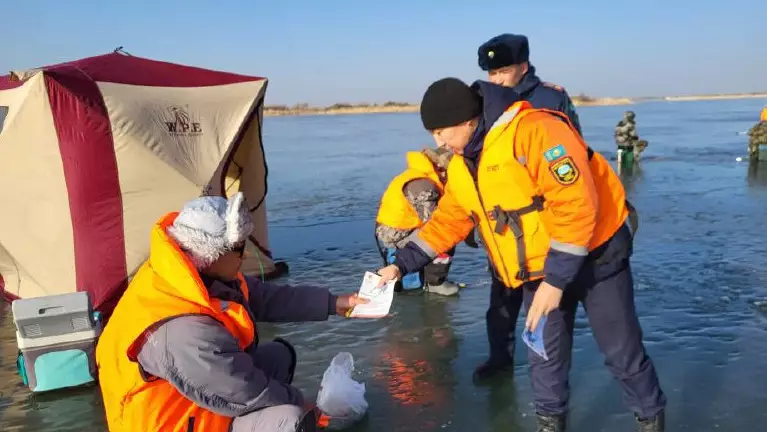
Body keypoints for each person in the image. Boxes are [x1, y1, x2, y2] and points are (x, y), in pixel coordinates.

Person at [376, 77, 666, 431]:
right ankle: (550, 424)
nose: (437, 141)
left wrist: (557, 281)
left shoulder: (537, 131)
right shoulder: (461, 165)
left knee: (622, 353)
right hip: (538, 268)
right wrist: (400, 265)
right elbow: (447, 222)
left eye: (442, 131)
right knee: (544, 356)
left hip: (596, 257)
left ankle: (650, 418)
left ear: (468, 120)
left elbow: (576, 204)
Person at [96, 192, 367, 432]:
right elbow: (244, 389)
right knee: (293, 420)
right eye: (239, 249)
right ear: (210, 254)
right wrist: (310, 408)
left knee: (279, 357)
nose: (246, 255)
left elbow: (264, 297)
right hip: (170, 422)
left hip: (192, 396)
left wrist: (335, 303)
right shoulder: (182, 331)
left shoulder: (191, 276)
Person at [472, 32, 584, 381]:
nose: (496, 79)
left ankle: (550, 378)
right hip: (502, 224)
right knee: (501, 302)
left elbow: (572, 156)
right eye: (491, 73)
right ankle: (499, 358)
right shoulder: (486, 102)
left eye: (502, 71)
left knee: (547, 306)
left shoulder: (550, 99)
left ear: (523, 66)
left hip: (541, 222)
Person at [375, 147, 461, 296]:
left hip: (392, 228)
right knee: (445, 234)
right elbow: (433, 222)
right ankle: (436, 282)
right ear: (441, 168)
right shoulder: (424, 186)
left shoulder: (417, 175)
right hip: (397, 234)